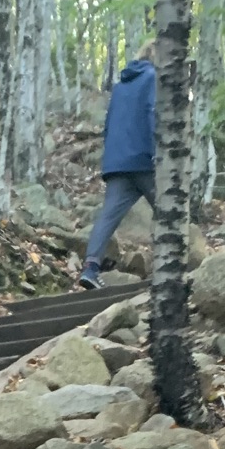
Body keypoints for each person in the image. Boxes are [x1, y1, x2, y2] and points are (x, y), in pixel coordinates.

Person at [79, 44, 157, 289]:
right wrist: (159, 152)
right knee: (171, 210)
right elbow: (153, 113)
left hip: (117, 162)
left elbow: (108, 124)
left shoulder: (120, 87)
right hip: (145, 160)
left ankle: (90, 268)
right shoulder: (154, 78)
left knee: (107, 217)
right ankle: (174, 266)